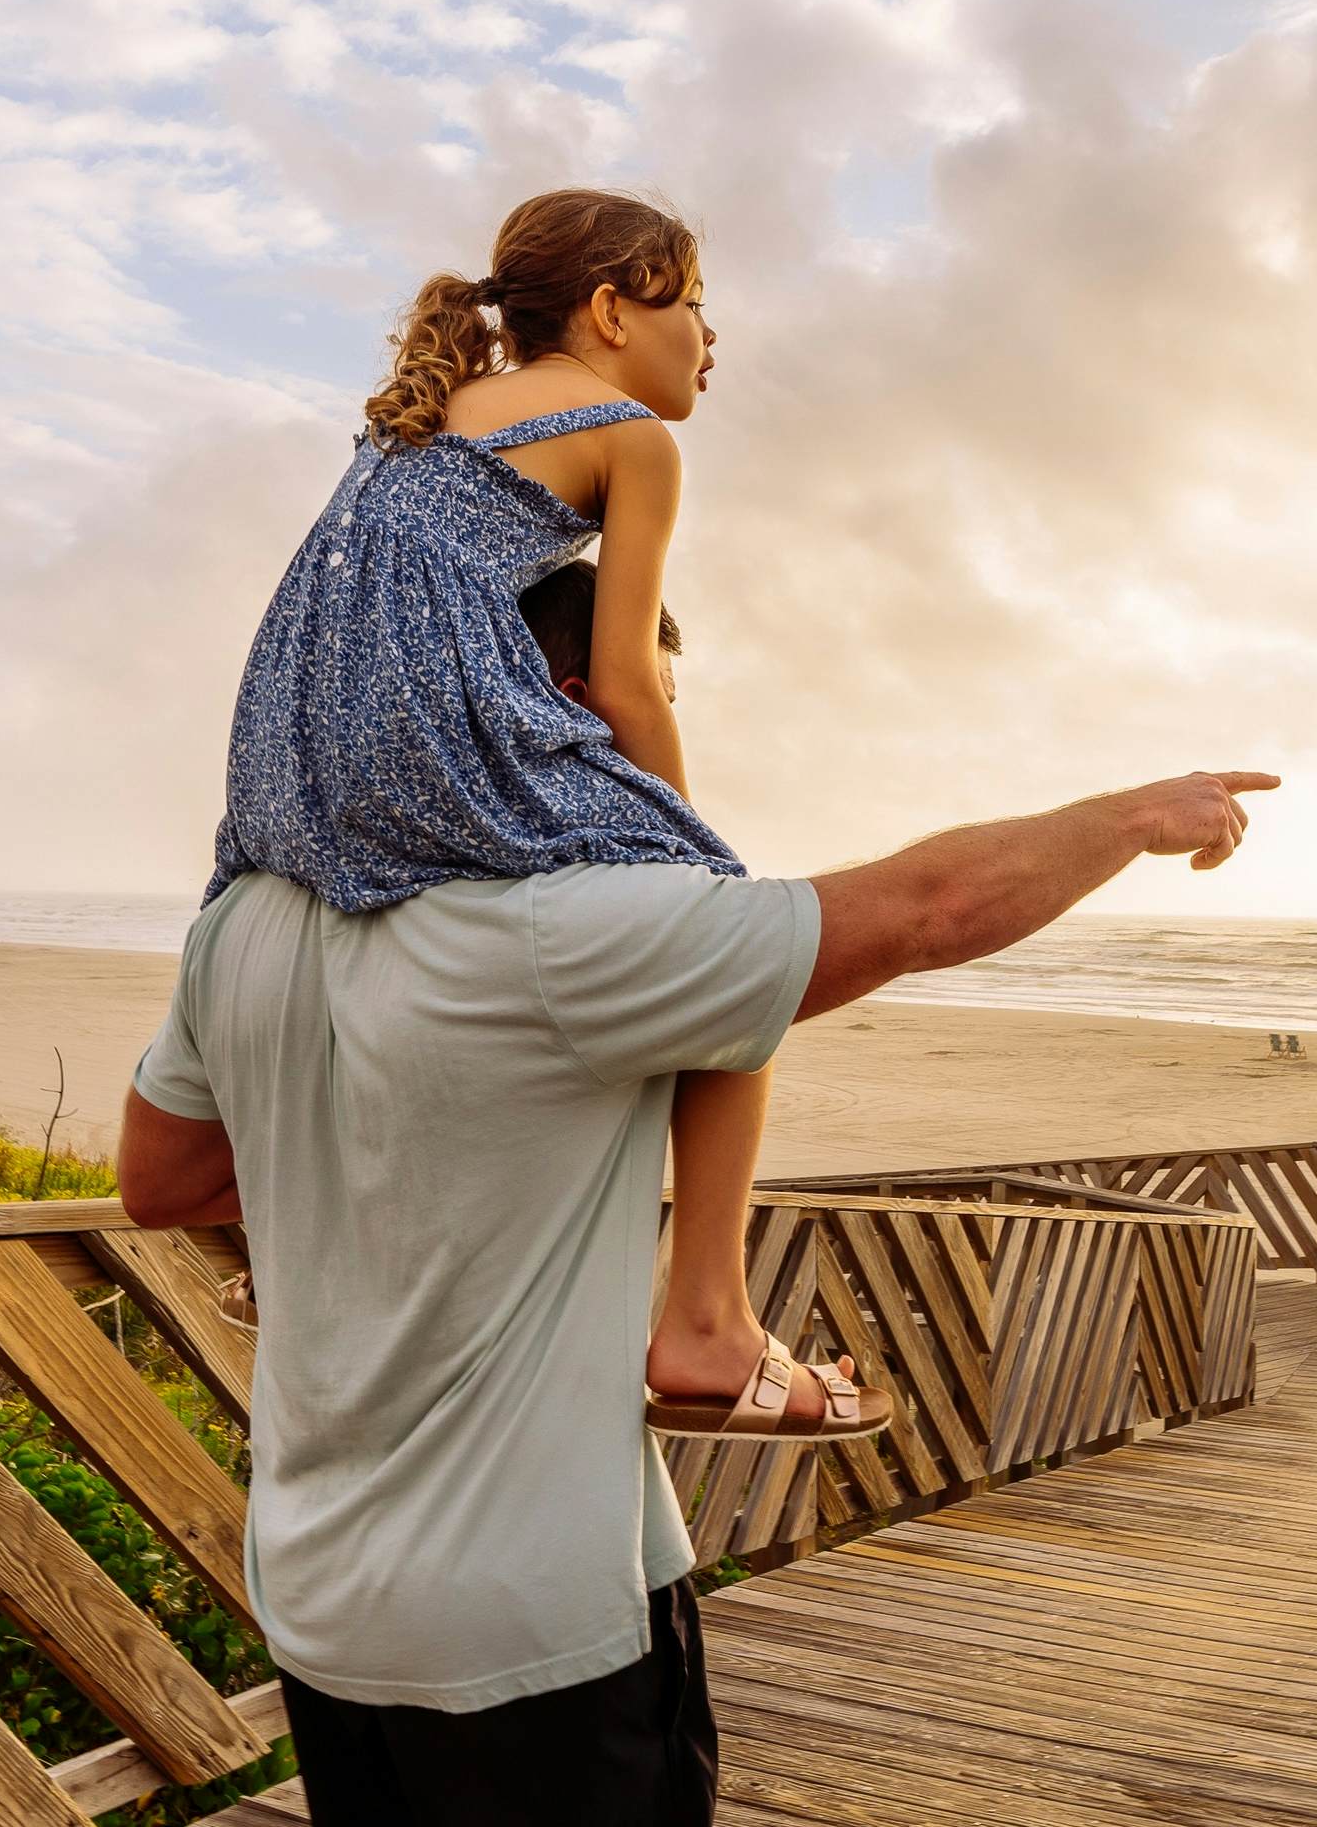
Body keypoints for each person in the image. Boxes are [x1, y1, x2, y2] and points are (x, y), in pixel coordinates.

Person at [121, 766, 1272, 1827]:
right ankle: (714, 1321)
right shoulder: (567, 924)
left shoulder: (249, 923)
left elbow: (163, 1178)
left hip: (324, 1583)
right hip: (533, 1606)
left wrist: (358, 1222)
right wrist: (1129, 821)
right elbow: (924, 909)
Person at [204, 187, 850, 1443]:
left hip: (289, 737)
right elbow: (621, 681)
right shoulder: (633, 438)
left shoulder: (424, 412)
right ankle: (709, 1315)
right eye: (695, 305)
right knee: (734, 948)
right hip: (433, 725)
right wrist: (689, 849)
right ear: (612, 311)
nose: (713, 338)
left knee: (375, 962)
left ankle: (294, 1257)